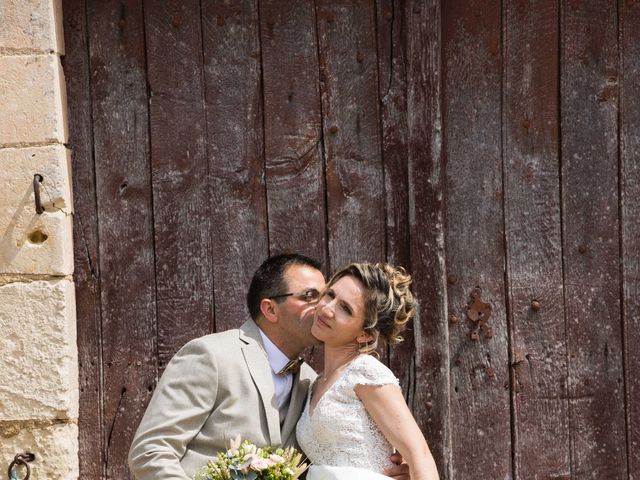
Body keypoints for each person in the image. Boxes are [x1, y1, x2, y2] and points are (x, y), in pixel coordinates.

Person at [128, 253, 411, 480]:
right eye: (311, 296)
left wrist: (380, 472)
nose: (325, 307)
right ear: (270, 309)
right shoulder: (212, 356)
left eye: (328, 295)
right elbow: (151, 452)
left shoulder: (313, 384)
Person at [296, 262, 440, 480]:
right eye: (330, 295)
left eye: (345, 308)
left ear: (365, 335)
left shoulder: (365, 372)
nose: (326, 309)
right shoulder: (315, 383)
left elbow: (419, 454)